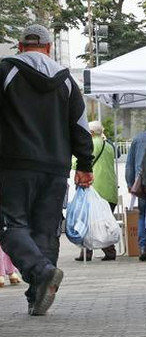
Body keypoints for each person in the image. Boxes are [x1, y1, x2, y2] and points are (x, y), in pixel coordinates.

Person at [0, 24, 94, 316]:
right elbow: (79, 126)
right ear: (49, 47)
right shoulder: (66, 80)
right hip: (55, 167)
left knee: (10, 224)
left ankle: (41, 273)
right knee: (46, 230)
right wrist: (86, 164)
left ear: (20, 45)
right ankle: (36, 294)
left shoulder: (5, 71)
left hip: (14, 164)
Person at [74, 121, 118, 262]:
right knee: (106, 221)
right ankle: (110, 251)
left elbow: (76, 163)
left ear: (91, 132)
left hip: (95, 188)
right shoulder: (109, 146)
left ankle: (86, 253)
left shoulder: (91, 144)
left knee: (88, 221)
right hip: (110, 189)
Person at [126, 121, 146, 261]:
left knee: (143, 214)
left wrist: (130, 183)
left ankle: (143, 247)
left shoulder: (138, 138)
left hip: (141, 182)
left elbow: (129, 163)